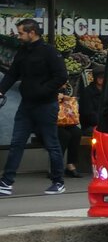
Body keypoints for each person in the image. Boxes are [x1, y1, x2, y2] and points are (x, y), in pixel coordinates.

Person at [0, 18, 68, 195]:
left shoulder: (49, 52)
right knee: (16, 143)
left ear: (32, 33)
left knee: (52, 144)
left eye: (22, 33)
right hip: (27, 105)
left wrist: (43, 91)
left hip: (46, 105)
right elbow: (13, 73)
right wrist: (1, 90)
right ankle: (6, 183)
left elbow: (61, 76)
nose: (19, 36)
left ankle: (58, 181)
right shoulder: (23, 51)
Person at [55, 81, 81, 179]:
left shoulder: (66, 91)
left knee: (76, 132)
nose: (64, 86)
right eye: (63, 83)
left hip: (64, 122)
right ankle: (56, 166)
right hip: (49, 123)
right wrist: (57, 97)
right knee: (64, 135)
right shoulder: (48, 87)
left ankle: (71, 164)